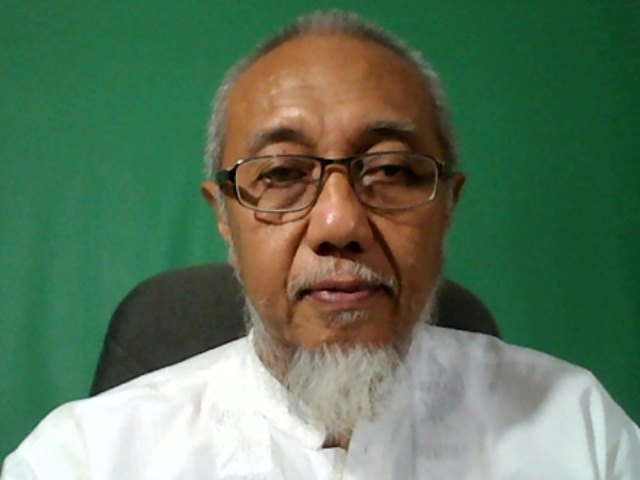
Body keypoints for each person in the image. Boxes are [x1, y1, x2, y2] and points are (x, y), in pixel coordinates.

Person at [2, 10, 639, 479]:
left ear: (447, 206)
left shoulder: (578, 433)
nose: (340, 223)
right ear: (225, 215)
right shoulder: (86, 459)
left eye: (390, 170)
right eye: (282, 173)